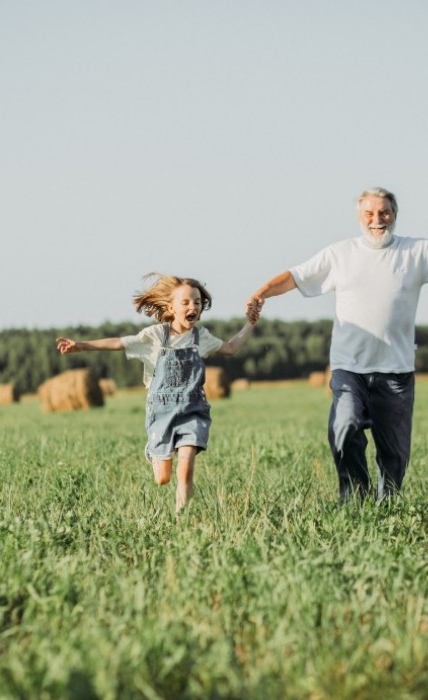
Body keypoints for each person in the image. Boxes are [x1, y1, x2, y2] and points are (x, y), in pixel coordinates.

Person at [247, 187, 428, 503]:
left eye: (384, 212)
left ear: (395, 215)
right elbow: (295, 276)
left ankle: (388, 506)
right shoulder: (340, 255)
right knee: (344, 428)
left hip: (396, 372)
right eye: (369, 213)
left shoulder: (415, 253)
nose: (377, 220)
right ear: (359, 217)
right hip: (349, 369)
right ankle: (355, 498)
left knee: (395, 453)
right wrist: (262, 292)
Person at [57, 273, 257, 515]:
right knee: (162, 478)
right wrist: (82, 345)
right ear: (170, 307)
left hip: (192, 409)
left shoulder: (201, 337)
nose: (193, 306)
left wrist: (250, 323)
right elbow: (119, 342)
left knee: (186, 465)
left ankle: (181, 517)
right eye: (185, 302)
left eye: (197, 302)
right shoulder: (154, 336)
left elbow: (231, 348)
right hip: (161, 412)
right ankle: (153, 452)